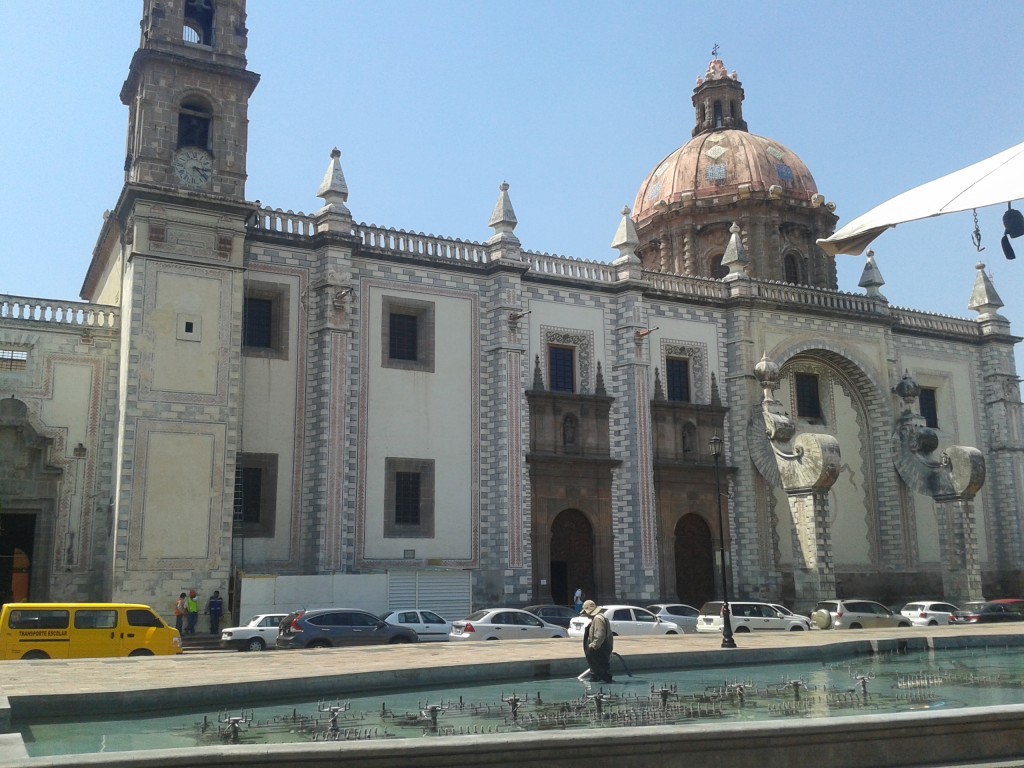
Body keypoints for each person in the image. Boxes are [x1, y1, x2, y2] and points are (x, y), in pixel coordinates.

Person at [581, 599, 613, 683]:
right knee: (597, 672)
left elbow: (600, 636)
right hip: (601, 649)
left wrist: (593, 646)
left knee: (602, 672)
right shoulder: (599, 617)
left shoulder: (598, 619)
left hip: (600, 650)